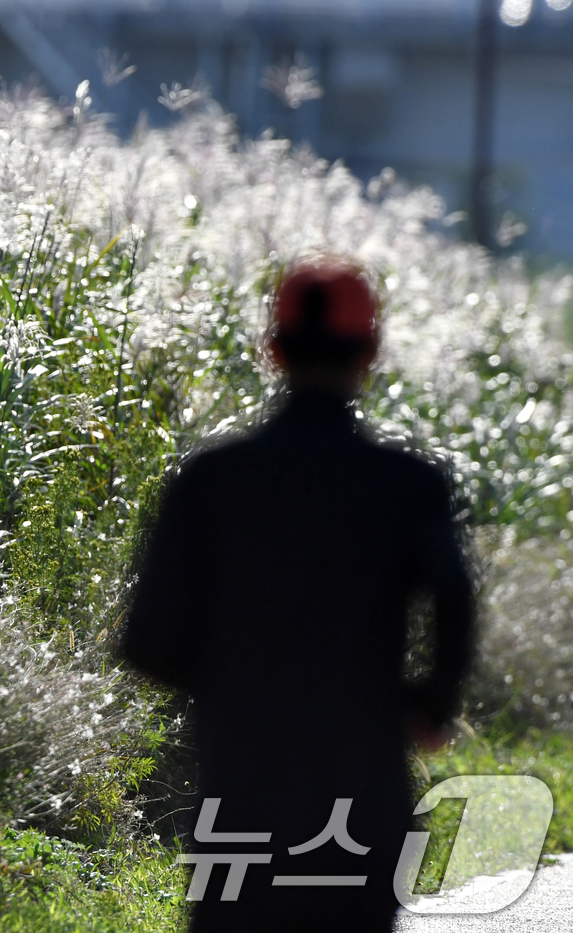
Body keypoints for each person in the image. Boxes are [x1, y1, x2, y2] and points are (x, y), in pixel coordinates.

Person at [121, 261, 476, 933]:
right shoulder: (407, 484)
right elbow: (455, 598)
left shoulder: (208, 481)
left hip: (241, 802)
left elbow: (148, 640)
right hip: (362, 806)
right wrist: (424, 705)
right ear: (370, 353)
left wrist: (230, 686)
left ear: (273, 349)